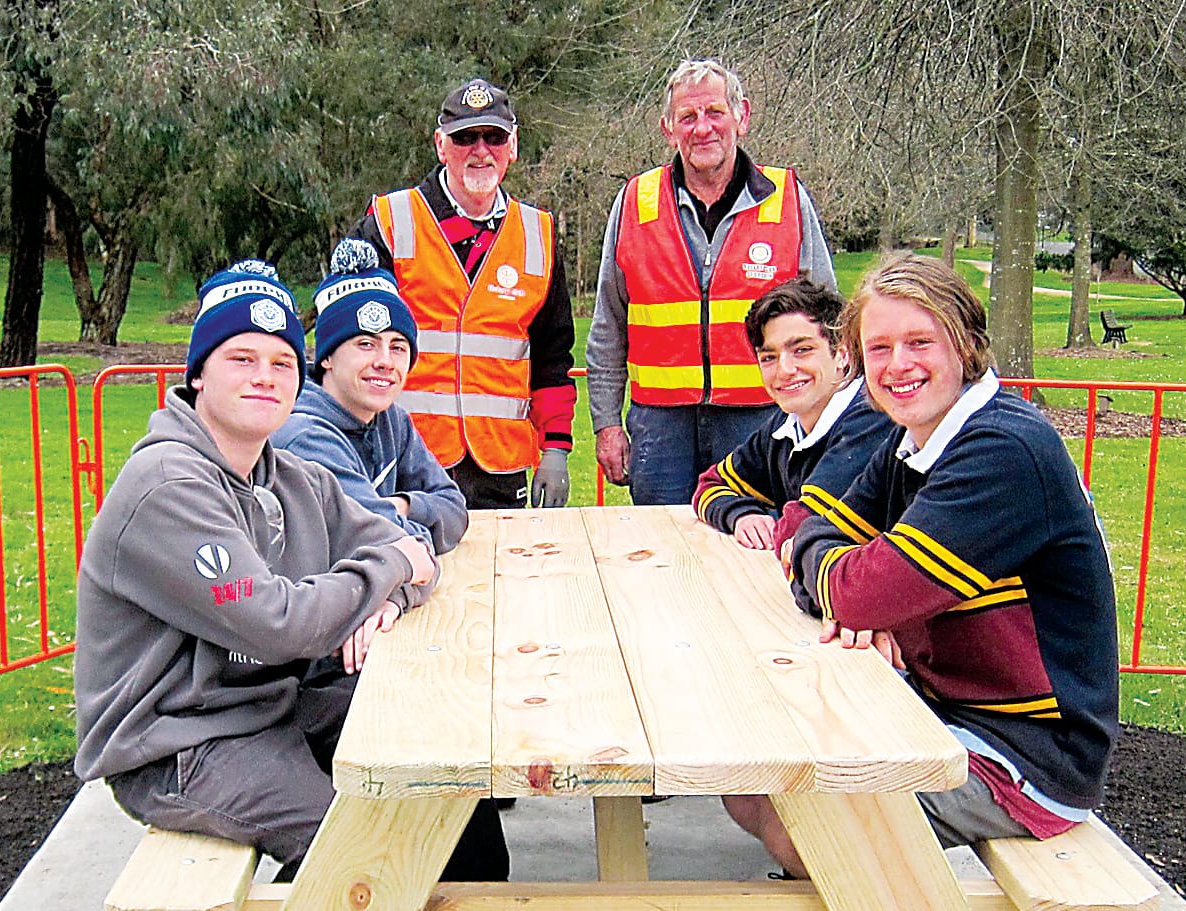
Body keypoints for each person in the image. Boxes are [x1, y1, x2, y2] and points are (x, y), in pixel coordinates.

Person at [74, 260, 621, 911]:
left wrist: (392, 578)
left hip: (268, 704)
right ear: (196, 375)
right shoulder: (167, 485)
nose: (265, 376)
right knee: (360, 832)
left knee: (441, 735)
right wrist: (394, 567)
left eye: (279, 362)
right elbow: (279, 623)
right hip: (178, 741)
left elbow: (421, 536)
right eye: (242, 359)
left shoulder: (279, 470)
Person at [730, 254, 1120, 911]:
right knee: (746, 777)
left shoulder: (1000, 451)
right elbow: (810, 522)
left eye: (920, 342)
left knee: (792, 812)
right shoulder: (914, 444)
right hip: (942, 709)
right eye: (878, 350)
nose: (898, 366)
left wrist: (854, 587)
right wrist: (847, 577)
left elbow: (857, 585)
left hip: (1031, 751)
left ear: (967, 343)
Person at [587, 59, 837, 505]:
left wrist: (829, 417)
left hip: (763, 421)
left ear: (742, 116)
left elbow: (830, 322)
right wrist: (607, 425)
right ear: (668, 129)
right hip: (660, 431)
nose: (702, 128)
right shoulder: (634, 203)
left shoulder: (788, 200)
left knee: (756, 554)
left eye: (714, 113)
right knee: (661, 556)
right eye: (688, 117)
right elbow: (608, 326)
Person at [348, 78, 577, 513]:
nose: (480, 150)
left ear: (513, 146)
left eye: (494, 137)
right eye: (464, 137)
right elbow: (346, 344)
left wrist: (557, 449)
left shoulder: (540, 235)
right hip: (404, 454)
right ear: (440, 145)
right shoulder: (390, 222)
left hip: (500, 465)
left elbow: (553, 359)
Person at [272, 239, 468, 554]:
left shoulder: (392, 421)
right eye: (365, 344)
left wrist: (403, 505)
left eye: (398, 347)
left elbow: (455, 508)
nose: (385, 361)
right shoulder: (303, 437)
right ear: (327, 357)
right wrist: (417, 528)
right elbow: (390, 544)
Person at [691, 279, 892, 552]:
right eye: (769, 357)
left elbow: (804, 523)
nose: (784, 370)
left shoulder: (873, 417)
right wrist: (740, 514)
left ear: (843, 354)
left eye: (802, 350)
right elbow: (709, 485)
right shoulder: (785, 426)